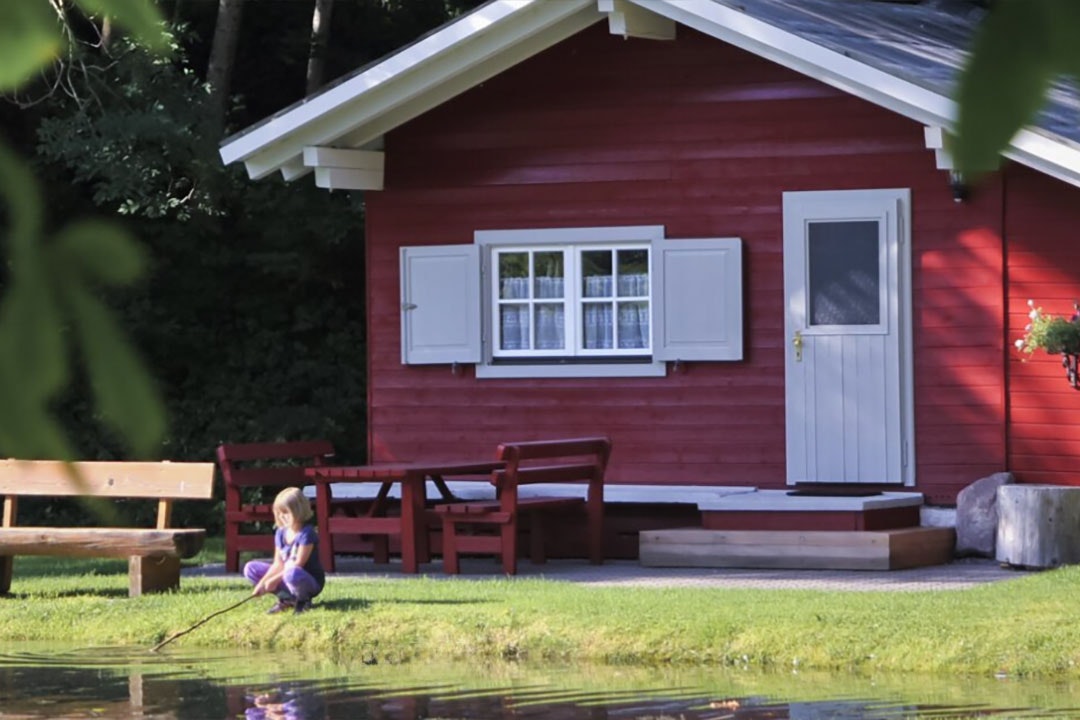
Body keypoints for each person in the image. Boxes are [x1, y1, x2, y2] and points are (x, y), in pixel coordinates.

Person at [243, 487, 325, 614]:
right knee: (250, 568)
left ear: (298, 511)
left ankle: (303, 600)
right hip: (286, 575)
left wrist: (274, 580)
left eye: (286, 512)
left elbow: (298, 564)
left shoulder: (306, 534)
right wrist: (263, 583)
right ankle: (287, 598)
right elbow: (278, 564)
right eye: (279, 513)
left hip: (306, 580)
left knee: (292, 573)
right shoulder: (280, 533)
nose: (282, 516)